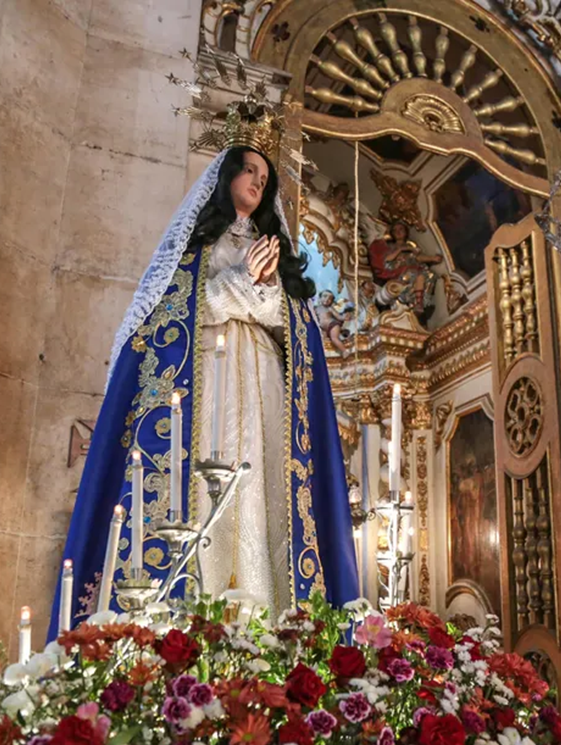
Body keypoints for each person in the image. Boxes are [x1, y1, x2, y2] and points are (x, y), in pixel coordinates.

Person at [49, 134, 360, 637]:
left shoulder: (273, 253)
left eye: (265, 178)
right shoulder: (195, 248)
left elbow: (292, 327)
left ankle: (266, 622)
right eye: (249, 172)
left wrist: (262, 289)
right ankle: (195, 620)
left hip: (263, 388)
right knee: (202, 487)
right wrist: (242, 283)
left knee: (259, 494)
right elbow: (172, 320)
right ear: (225, 178)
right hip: (206, 386)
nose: (258, 183)